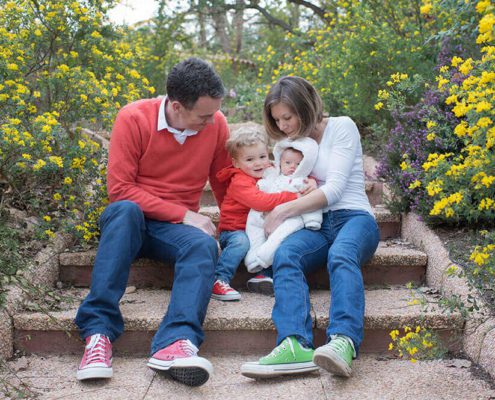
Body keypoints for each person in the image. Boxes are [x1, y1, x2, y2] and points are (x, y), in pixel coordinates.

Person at [74, 57, 231, 387]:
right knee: (126, 210)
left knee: (202, 243)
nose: (211, 120)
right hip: (128, 222)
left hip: (170, 232)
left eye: (214, 113)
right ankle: (98, 334)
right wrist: (187, 215)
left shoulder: (216, 124)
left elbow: (223, 184)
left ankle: (175, 343)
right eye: (203, 115)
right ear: (176, 106)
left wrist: (237, 228)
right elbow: (120, 190)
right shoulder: (133, 118)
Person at [241, 76, 380, 379]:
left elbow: (335, 189)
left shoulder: (342, 126)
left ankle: (343, 341)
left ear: (305, 108)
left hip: (354, 218)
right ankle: (295, 344)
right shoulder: (291, 144)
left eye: (288, 117)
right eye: (277, 120)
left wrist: (282, 209)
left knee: (342, 255)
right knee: (286, 254)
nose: (284, 126)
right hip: (314, 224)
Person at [212, 126, 302, 301]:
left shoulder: (269, 173)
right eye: (250, 159)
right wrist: (292, 196)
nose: (259, 163)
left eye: (262, 156)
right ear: (236, 163)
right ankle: (219, 279)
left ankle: (263, 275)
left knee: (274, 239)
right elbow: (260, 202)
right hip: (234, 230)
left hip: (258, 228)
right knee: (241, 243)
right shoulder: (240, 181)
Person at [244, 137, 322, 273]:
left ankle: (266, 254)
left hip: (291, 217)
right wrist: (262, 185)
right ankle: (253, 254)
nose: (293, 166)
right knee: (253, 220)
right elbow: (264, 185)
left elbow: (309, 201)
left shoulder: (303, 181)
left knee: (284, 231)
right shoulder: (273, 176)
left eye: (298, 164)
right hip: (266, 213)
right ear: (280, 162)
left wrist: (313, 220)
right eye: (288, 162)